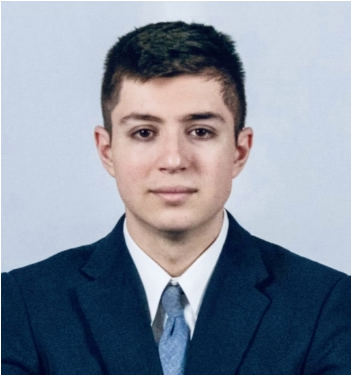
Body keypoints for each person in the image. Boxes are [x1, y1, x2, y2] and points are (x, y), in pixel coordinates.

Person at [2, 21, 350, 375]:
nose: (173, 160)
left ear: (239, 150)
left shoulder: (327, 305)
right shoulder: (22, 304)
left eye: (200, 131)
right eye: (144, 132)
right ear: (107, 151)